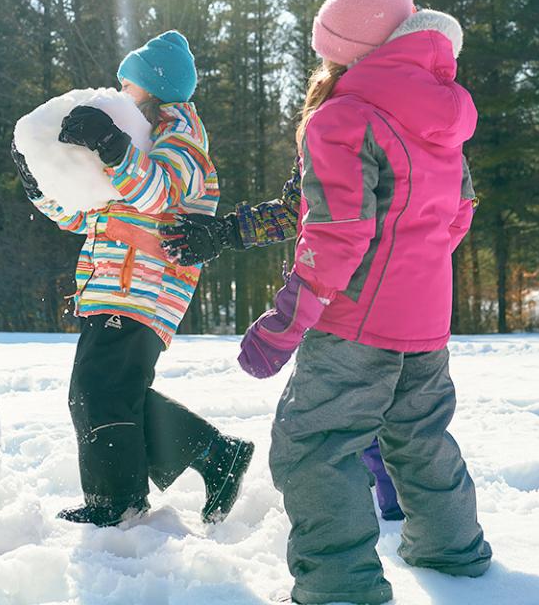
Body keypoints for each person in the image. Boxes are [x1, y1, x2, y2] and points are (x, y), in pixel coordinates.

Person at [238, 0, 491, 605]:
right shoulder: (442, 117)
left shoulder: (344, 118)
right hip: (426, 321)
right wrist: (413, 273)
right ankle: (452, 553)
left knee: (314, 446)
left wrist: (286, 320)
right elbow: (457, 215)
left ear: (343, 51)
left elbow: (337, 233)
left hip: (353, 323)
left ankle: (340, 589)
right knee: (420, 436)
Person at [12, 30, 253, 527]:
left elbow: (160, 194)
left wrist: (112, 146)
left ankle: (116, 503)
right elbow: (88, 217)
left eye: (128, 87)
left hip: (147, 289)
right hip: (113, 286)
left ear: (155, 88)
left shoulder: (183, 139)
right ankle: (214, 455)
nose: (120, 95)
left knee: (97, 391)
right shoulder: (138, 145)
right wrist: (41, 187)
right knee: (111, 392)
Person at [163, 158, 406, 522]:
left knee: (320, 422)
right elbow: (300, 206)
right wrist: (227, 232)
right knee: (390, 414)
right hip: (411, 293)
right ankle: (405, 515)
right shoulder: (429, 120)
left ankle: (352, 530)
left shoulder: (337, 118)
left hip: (351, 296)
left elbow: (324, 214)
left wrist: (294, 310)